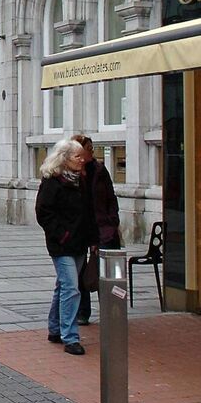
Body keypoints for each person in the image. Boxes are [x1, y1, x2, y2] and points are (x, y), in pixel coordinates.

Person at [36, 139, 93, 356]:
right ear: (65, 158)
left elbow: (88, 211)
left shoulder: (82, 180)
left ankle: (54, 328)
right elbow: (43, 213)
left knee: (63, 286)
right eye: (78, 156)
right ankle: (70, 337)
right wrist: (62, 234)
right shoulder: (53, 182)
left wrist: (92, 237)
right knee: (71, 287)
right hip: (61, 244)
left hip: (80, 242)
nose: (82, 160)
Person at [74, 134, 121, 325]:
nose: (92, 151)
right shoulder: (71, 172)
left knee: (107, 270)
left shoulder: (99, 170)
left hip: (103, 227)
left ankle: (111, 309)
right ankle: (82, 312)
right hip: (79, 228)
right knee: (80, 271)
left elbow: (111, 197)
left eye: (92, 148)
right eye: (89, 148)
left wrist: (112, 221)